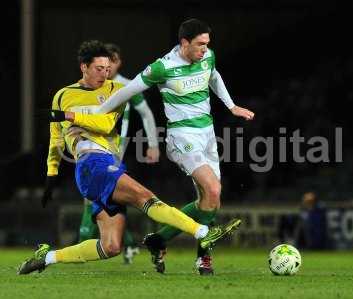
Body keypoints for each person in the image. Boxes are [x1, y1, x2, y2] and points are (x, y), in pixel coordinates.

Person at [17, 40, 241, 275]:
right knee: (144, 197)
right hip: (91, 165)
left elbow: (105, 124)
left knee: (111, 246)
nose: (105, 74)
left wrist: (70, 115)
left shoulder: (116, 91)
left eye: (108, 69)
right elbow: (56, 138)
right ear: (84, 67)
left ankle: (47, 257)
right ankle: (203, 233)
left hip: (108, 163)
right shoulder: (63, 95)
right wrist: (51, 174)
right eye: (99, 69)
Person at [77, 43, 160, 264]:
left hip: (113, 150)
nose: (107, 67)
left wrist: (153, 144)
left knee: (93, 197)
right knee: (107, 198)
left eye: (111, 62)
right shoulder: (94, 87)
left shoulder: (125, 86)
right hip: (91, 147)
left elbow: (146, 113)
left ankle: (84, 239)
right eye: (103, 63)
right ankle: (130, 244)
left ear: (118, 63)